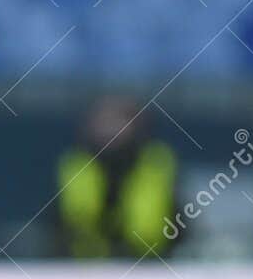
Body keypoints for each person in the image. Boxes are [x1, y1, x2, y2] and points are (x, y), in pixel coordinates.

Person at [53, 96, 178, 259]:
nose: (110, 129)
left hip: (149, 269)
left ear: (137, 126)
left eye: (119, 120)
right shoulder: (76, 166)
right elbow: (62, 225)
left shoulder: (157, 164)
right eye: (104, 122)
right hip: (82, 270)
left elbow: (172, 224)